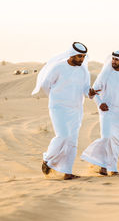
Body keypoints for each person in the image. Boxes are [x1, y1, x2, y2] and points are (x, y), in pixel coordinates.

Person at [32, 42, 99, 180]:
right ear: (72, 55)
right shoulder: (58, 67)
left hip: (76, 109)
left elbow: (86, 89)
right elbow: (46, 85)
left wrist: (90, 93)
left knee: (72, 141)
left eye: (83, 56)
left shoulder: (83, 71)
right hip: (58, 108)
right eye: (79, 56)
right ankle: (48, 160)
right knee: (62, 136)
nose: (82, 59)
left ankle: (67, 172)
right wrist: (56, 98)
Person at [81, 50, 119, 175]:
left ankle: (111, 168)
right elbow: (94, 91)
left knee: (116, 141)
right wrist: (100, 103)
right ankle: (99, 163)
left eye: (116, 60)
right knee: (106, 137)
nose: (113, 61)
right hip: (106, 111)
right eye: (112, 59)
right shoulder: (105, 75)